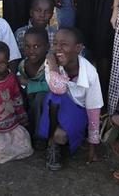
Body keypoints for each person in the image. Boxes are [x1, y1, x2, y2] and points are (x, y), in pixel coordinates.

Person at [38, 28, 102, 171]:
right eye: (55, 44)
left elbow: (93, 110)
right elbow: (57, 88)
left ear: (78, 48)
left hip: (77, 113)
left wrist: (93, 147)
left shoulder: (90, 72)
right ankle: (51, 144)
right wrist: (53, 65)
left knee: (61, 135)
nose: (58, 49)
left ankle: (55, 138)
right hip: (54, 111)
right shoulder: (53, 64)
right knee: (54, 97)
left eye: (64, 44)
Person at [16, 27, 50, 147]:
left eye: (36, 46)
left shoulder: (50, 65)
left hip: (47, 107)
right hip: (30, 103)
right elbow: (21, 83)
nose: (31, 50)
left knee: (41, 96)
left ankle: (40, 136)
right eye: (27, 46)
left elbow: (51, 86)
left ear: (46, 47)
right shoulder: (23, 65)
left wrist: (29, 85)